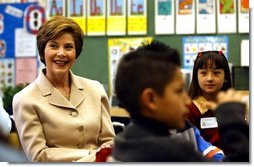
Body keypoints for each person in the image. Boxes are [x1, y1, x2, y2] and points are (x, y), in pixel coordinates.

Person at [111, 40, 248, 162]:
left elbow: (211, 152)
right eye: (178, 90)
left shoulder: (126, 142)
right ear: (150, 99)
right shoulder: (171, 153)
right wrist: (234, 123)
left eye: (216, 72)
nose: (187, 100)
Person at [12, 16, 115, 162]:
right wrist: (92, 157)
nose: (61, 53)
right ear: (43, 51)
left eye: (68, 47)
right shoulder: (25, 99)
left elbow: (109, 143)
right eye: (53, 46)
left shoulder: (95, 89)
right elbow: (39, 156)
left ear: (76, 52)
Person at [187, 51, 233, 150]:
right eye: (203, 73)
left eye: (216, 73)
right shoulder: (189, 109)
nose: (209, 78)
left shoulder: (233, 107)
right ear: (196, 76)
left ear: (225, 77)